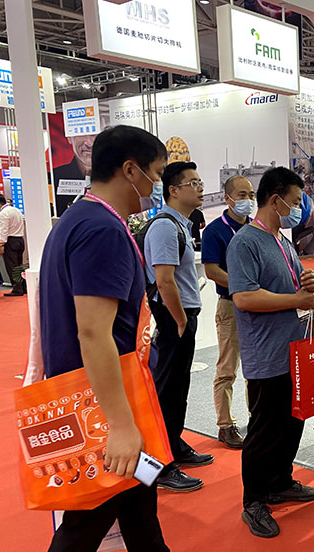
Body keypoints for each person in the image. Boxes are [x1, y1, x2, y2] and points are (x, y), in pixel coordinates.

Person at [35, 125, 219, 552]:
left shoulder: (77, 221)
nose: (158, 184)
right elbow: (93, 332)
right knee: (87, 519)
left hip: (100, 391)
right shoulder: (102, 230)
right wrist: (119, 424)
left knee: (140, 486)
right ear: (131, 170)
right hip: (102, 401)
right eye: (157, 173)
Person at [227, 166, 314, 540]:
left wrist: (308, 281)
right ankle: (253, 500)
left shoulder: (281, 240)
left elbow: (295, 283)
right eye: (295, 201)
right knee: (264, 430)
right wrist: (296, 299)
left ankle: (280, 481)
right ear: (276, 199)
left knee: (292, 422)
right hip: (265, 355)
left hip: (291, 350)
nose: (298, 209)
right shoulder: (245, 243)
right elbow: (244, 297)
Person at [144, 161, 213, 493]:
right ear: (173, 190)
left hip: (182, 315)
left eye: (200, 182)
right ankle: (158, 465)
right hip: (174, 316)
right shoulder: (164, 227)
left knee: (178, 387)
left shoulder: (181, 225)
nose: (200, 188)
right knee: (166, 389)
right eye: (193, 183)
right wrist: (181, 319)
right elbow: (164, 280)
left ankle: (174, 445)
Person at [201, 175, 254, 449]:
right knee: (227, 368)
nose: (248, 200)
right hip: (231, 305)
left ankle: (256, 417)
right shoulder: (214, 231)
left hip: (257, 305)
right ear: (228, 198)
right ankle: (225, 425)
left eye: (251, 195)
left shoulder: (255, 228)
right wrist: (242, 285)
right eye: (242, 195)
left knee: (256, 367)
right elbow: (212, 271)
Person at [0, 193, 26, 296]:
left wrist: (1, 244)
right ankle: (23, 287)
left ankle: (17, 289)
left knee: (12, 266)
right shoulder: (16, 210)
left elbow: (4, 230)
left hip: (10, 241)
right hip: (20, 239)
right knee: (19, 265)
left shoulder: (3, 213)